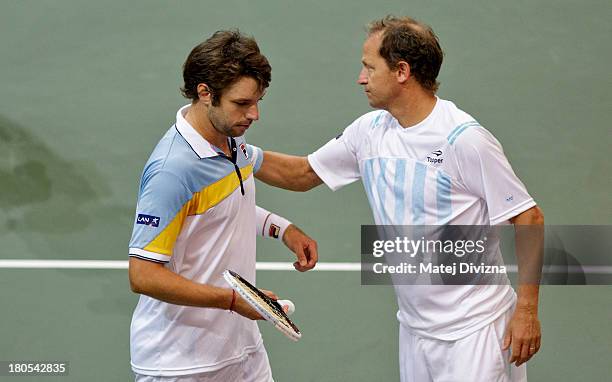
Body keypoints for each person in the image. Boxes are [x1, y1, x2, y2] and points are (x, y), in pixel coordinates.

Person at [254, 16, 544, 382]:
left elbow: (528, 217)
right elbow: (303, 173)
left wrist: (527, 312)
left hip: (477, 332)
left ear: (402, 71)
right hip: (415, 330)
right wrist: (237, 152)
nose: (361, 78)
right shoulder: (370, 132)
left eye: (369, 67)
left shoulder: (464, 140)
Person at [127, 30, 318, 382]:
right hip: (181, 364)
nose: (255, 114)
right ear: (205, 93)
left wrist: (282, 228)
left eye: (258, 101)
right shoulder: (173, 170)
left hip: (242, 350)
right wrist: (232, 301)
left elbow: (223, 207)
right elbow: (143, 274)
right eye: (242, 103)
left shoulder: (230, 139)